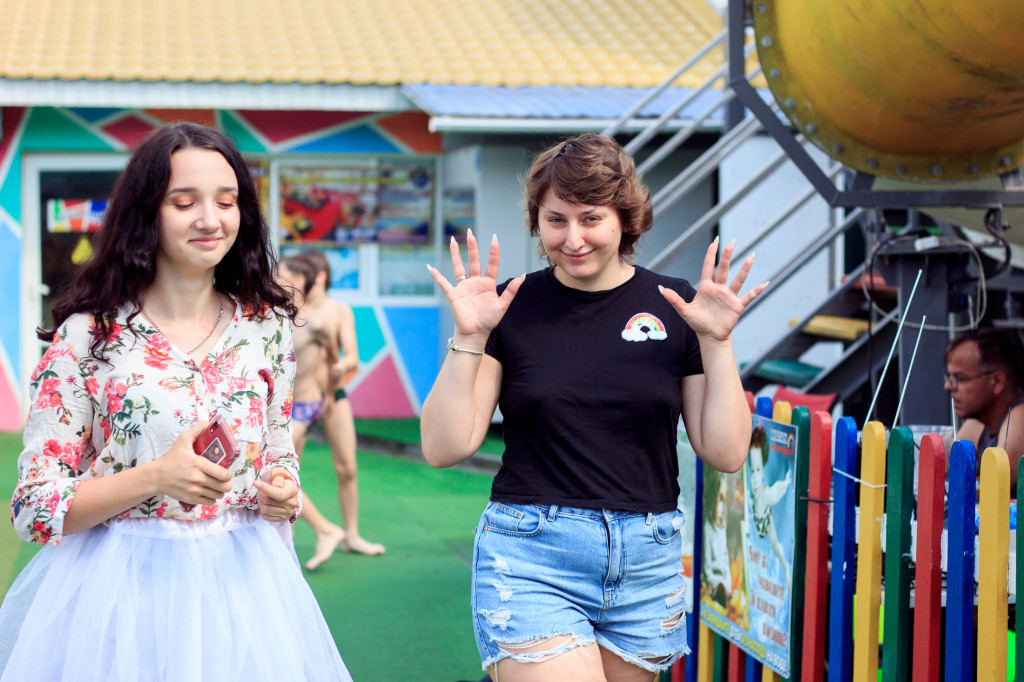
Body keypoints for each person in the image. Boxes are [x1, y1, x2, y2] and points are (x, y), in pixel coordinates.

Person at [0, 123, 352, 681]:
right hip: (118, 599)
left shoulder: (267, 328)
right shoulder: (89, 336)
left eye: (227, 201)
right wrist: (156, 478)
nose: (210, 219)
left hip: (247, 597)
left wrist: (282, 492)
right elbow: (34, 508)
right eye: (184, 202)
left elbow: (279, 455)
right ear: (145, 213)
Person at [421, 133, 766, 681]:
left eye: (591, 219)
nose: (573, 238)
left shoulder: (678, 307)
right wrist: (470, 336)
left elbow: (725, 452)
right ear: (537, 223)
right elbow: (444, 447)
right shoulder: (507, 307)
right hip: (533, 552)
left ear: (625, 219)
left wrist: (717, 343)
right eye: (556, 220)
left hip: (647, 558)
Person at [297, 249, 385, 562]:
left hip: (334, 396)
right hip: (298, 401)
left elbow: (352, 356)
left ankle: (352, 536)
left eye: (305, 276)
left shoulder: (339, 310)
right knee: (288, 471)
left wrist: (341, 366)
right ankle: (285, 540)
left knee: (346, 467)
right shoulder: (294, 311)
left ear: (320, 276)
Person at [276, 254, 352, 570]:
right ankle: (288, 545)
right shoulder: (276, 317)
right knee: (284, 475)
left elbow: (334, 359)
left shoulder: (316, 322)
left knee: (278, 475)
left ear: (298, 280)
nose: (273, 279)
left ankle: (327, 530)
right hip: (282, 408)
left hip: (304, 407)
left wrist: (330, 395)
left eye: (279, 274)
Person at [944, 327, 1024, 488]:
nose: (948, 386)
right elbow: (947, 464)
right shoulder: (979, 422)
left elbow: (993, 485)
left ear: (997, 381)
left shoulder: (1019, 417)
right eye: (949, 377)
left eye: (960, 378)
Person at [747, 425, 791, 586]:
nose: (755, 478)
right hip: (757, 529)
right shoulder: (751, 495)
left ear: (764, 469)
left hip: (765, 524)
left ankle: (786, 568)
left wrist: (787, 482)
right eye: (752, 471)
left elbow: (776, 490)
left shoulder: (765, 495)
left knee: (776, 547)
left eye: (758, 470)